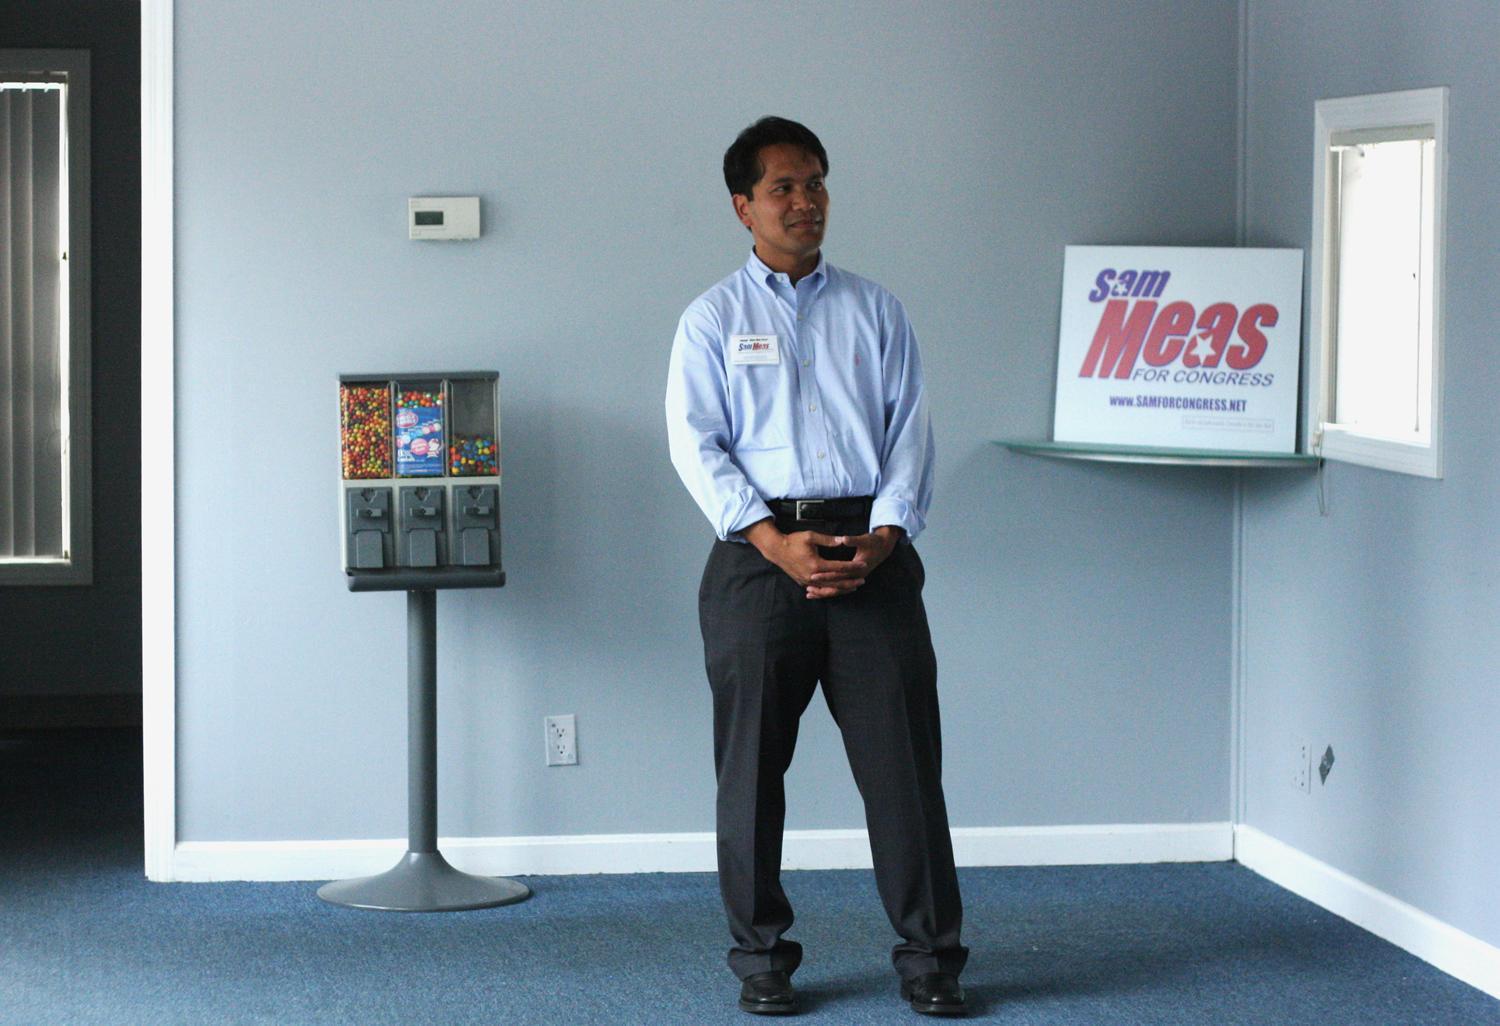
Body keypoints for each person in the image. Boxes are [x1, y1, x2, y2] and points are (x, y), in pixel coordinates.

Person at [664, 116, 968, 1017]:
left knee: (905, 770)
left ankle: (932, 962)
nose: (806, 202)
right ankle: (761, 957)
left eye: (817, 184)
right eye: (784, 188)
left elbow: (910, 432)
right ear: (743, 207)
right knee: (751, 771)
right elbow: (696, 445)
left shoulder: (876, 310)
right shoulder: (713, 319)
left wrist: (884, 537)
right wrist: (772, 540)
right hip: (759, 560)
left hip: (872, 555)